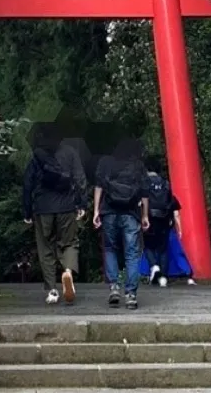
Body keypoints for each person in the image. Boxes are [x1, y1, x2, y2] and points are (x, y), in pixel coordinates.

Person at [22, 124, 87, 305]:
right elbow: (80, 178)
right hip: (66, 206)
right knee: (70, 242)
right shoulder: (70, 153)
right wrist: (82, 203)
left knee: (45, 248)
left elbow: (28, 184)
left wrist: (27, 210)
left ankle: (52, 290)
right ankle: (67, 271)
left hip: (43, 208)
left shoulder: (37, 155)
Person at [93, 138, 149, 309]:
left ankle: (114, 287)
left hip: (109, 211)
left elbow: (99, 186)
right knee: (132, 253)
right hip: (131, 213)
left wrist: (96, 210)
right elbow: (145, 192)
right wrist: (145, 215)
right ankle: (131, 294)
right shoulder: (137, 165)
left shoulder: (106, 162)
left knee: (110, 248)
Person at [142, 157, 192, 287]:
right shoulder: (165, 183)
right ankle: (163, 277)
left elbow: (141, 200)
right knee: (163, 249)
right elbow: (173, 206)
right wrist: (178, 226)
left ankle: (154, 266)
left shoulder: (144, 182)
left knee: (148, 246)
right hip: (164, 219)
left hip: (149, 217)